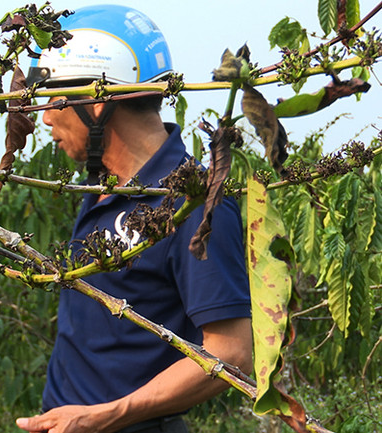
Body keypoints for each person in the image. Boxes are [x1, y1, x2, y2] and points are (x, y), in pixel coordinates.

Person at [16, 5, 252, 433]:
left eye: (53, 99)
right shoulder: (105, 190)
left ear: (98, 103)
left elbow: (231, 352)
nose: (45, 117)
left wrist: (105, 416)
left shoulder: (188, 200)